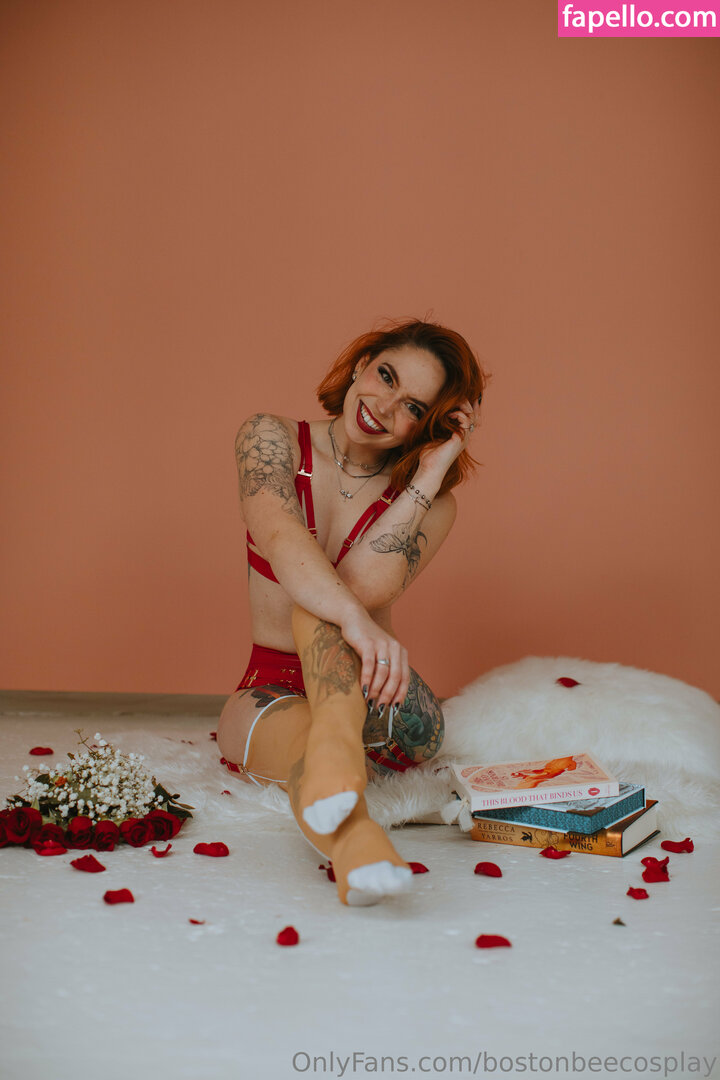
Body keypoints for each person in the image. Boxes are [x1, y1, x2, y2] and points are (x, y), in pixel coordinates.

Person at [216, 318, 488, 906]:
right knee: (305, 746)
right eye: (386, 376)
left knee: (330, 607)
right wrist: (351, 617)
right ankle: (359, 849)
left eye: (413, 407)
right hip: (273, 689)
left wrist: (431, 473)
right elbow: (280, 536)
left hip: (381, 705)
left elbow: (362, 586)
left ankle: (336, 750)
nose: (385, 406)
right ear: (362, 364)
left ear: (430, 426)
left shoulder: (432, 504)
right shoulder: (271, 438)